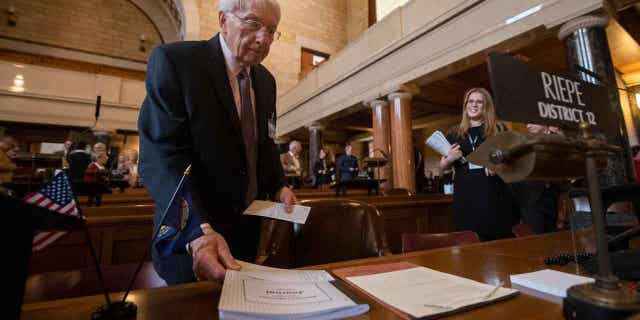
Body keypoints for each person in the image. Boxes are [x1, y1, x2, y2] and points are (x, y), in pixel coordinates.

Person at [138, 0, 295, 284]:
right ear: (223, 21)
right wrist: (198, 231)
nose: (264, 38)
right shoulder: (177, 63)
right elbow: (161, 158)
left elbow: (265, 143)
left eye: (272, 30)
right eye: (253, 24)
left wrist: (279, 184)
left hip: (246, 238)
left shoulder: (266, 81)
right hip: (192, 239)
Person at [439, 87, 518, 241]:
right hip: (465, 196)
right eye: (471, 101)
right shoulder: (454, 133)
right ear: (466, 105)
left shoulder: (499, 129)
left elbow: (512, 160)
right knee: (469, 242)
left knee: (498, 244)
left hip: (494, 195)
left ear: (486, 106)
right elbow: (443, 168)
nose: (474, 105)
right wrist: (448, 160)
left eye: (479, 102)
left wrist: (497, 165)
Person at [510, 124, 564, 234]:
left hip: (554, 198)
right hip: (531, 201)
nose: (528, 125)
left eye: (532, 122)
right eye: (527, 123)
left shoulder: (559, 141)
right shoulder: (523, 144)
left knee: (552, 239)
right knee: (536, 239)